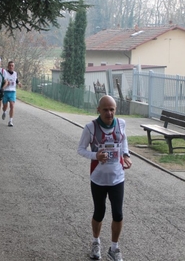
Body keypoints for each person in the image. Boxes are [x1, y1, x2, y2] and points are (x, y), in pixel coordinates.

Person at [77, 95, 132, 261]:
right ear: (98, 110)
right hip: (98, 178)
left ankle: (114, 248)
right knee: (99, 212)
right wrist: (95, 155)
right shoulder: (90, 128)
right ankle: (96, 242)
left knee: (118, 214)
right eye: (106, 109)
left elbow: (123, 142)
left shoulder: (121, 123)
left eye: (112, 109)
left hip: (117, 178)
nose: (109, 113)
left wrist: (126, 155)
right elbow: (80, 149)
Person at [1, 61, 22, 127]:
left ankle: (10, 121)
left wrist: (19, 83)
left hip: (12, 91)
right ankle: (4, 112)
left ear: (14, 67)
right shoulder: (5, 73)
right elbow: (2, 80)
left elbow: (16, 80)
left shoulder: (15, 73)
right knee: (5, 106)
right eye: (10, 65)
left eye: (12, 65)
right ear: (8, 66)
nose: (11, 67)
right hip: (6, 91)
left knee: (12, 105)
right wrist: (5, 83)